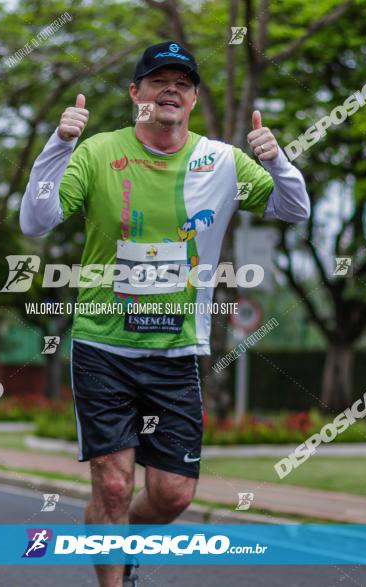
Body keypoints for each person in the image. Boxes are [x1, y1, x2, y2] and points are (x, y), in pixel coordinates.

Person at [19, 41, 310, 587]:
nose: (170, 89)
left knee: (173, 496)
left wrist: (277, 159)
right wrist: (59, 145)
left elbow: (295, 209)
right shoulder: (99, 151)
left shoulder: (221, 160)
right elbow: (36, 222)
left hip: (177, 351)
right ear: (136, 95)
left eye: (182, 82)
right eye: (157, 80)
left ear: (194, 98)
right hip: (103, 346)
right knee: (112, 486)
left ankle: (119, 538)